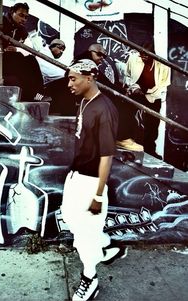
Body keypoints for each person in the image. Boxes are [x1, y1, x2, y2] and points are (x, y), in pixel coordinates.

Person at [61, 59, 127, 301]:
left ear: (89, 77)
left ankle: (90, 279)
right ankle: (106, 248)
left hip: (91, 182)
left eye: (73, 78)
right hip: (76, 175)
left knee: (85, 236)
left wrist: (98, 195)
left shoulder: (104, 109)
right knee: (70, 218)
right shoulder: (85, 101)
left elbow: (107, 156)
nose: (69, 83)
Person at [75, 42, 143, 152]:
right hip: (83, 99)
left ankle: (122, 138)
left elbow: (104, 82)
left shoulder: (88, 63)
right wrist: (120, 92)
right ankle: (122, 138)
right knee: (119, 106)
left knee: (121, 102)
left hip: (89, 96)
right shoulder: (84, 63)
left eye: (104, 56)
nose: (102, 58)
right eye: (99, 54)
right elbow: (101, 84)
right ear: (91, 52)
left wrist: (122, 91)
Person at [0, 2, 44, 102]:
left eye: (26, 17)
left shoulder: (22, 31)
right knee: (19, 60)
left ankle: (38, 94)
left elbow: (30, 49)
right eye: (21, 15)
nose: (23, 19)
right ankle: (37, 94)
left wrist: (17, 49)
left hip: (10, 65)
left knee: (30, 60)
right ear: (12, 12)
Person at [124, 42, 171, 159]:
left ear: (152, 53)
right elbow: (127, 75)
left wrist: (152, 94)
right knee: (131, 119)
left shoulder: (163, 64)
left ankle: (150, 150)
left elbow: (165, 84)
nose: (142, 56)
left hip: (154, 95)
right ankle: (131, 146)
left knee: (153, 124)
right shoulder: (134, 59)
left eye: (146, 54)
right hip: (136, 92)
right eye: (141, 54)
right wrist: (133, 87)